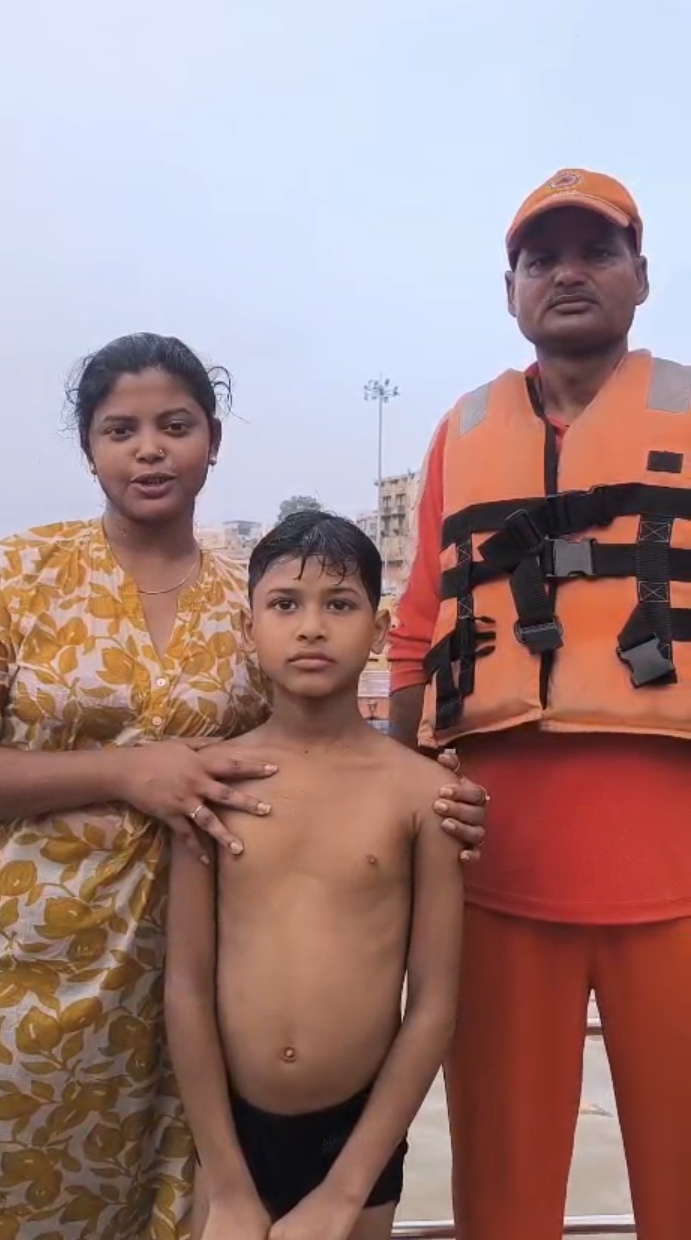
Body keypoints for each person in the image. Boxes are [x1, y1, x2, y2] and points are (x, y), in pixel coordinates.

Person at [0, 333, 486, 1240]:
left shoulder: (236, 597)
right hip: (28, 980)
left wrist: (435, 782)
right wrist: (127, 769)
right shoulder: (15, 576)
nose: (149, 449)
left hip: (191, 1032)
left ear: (213, 439)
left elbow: (321, 757)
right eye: (120, 429)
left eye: (175, 425)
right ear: (87, 446)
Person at [388, 167, 691, 1240]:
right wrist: (402, 790)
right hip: (497, 878)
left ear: (641, 276)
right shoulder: (461, 431)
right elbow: (415, 629)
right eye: (540, 258)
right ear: (510, 288)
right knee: (504, 1197)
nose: (567, 273)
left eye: (596, 252)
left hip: (680, 883)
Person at [165, 510, 465, 1240]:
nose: (310, 628)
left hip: (357, 1138)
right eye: (284, 604)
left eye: (339, 604)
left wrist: (345, 1190)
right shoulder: (211, 782)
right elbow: (186, 986)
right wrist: (227, 1182)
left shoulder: (421, 794)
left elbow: (432, 1004)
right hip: (229, 1136)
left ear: (380, 628)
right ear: (249, 628)